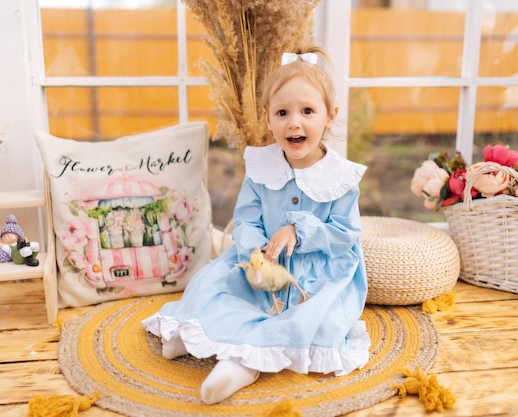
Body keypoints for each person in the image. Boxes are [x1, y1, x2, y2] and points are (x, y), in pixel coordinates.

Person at [142, 45, 369, 404]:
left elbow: (345, 236)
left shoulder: (341, 177)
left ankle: (239, 366)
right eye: (282, 112)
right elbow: (247, 218)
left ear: (330, 116)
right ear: (267, 118)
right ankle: (193, 336)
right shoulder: (262, 168)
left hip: (315, 274)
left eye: (308, 111)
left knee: (308, 322)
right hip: (261, 262)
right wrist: (255, 253)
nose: (294, 122)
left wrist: (298, 231)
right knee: (215, 290)